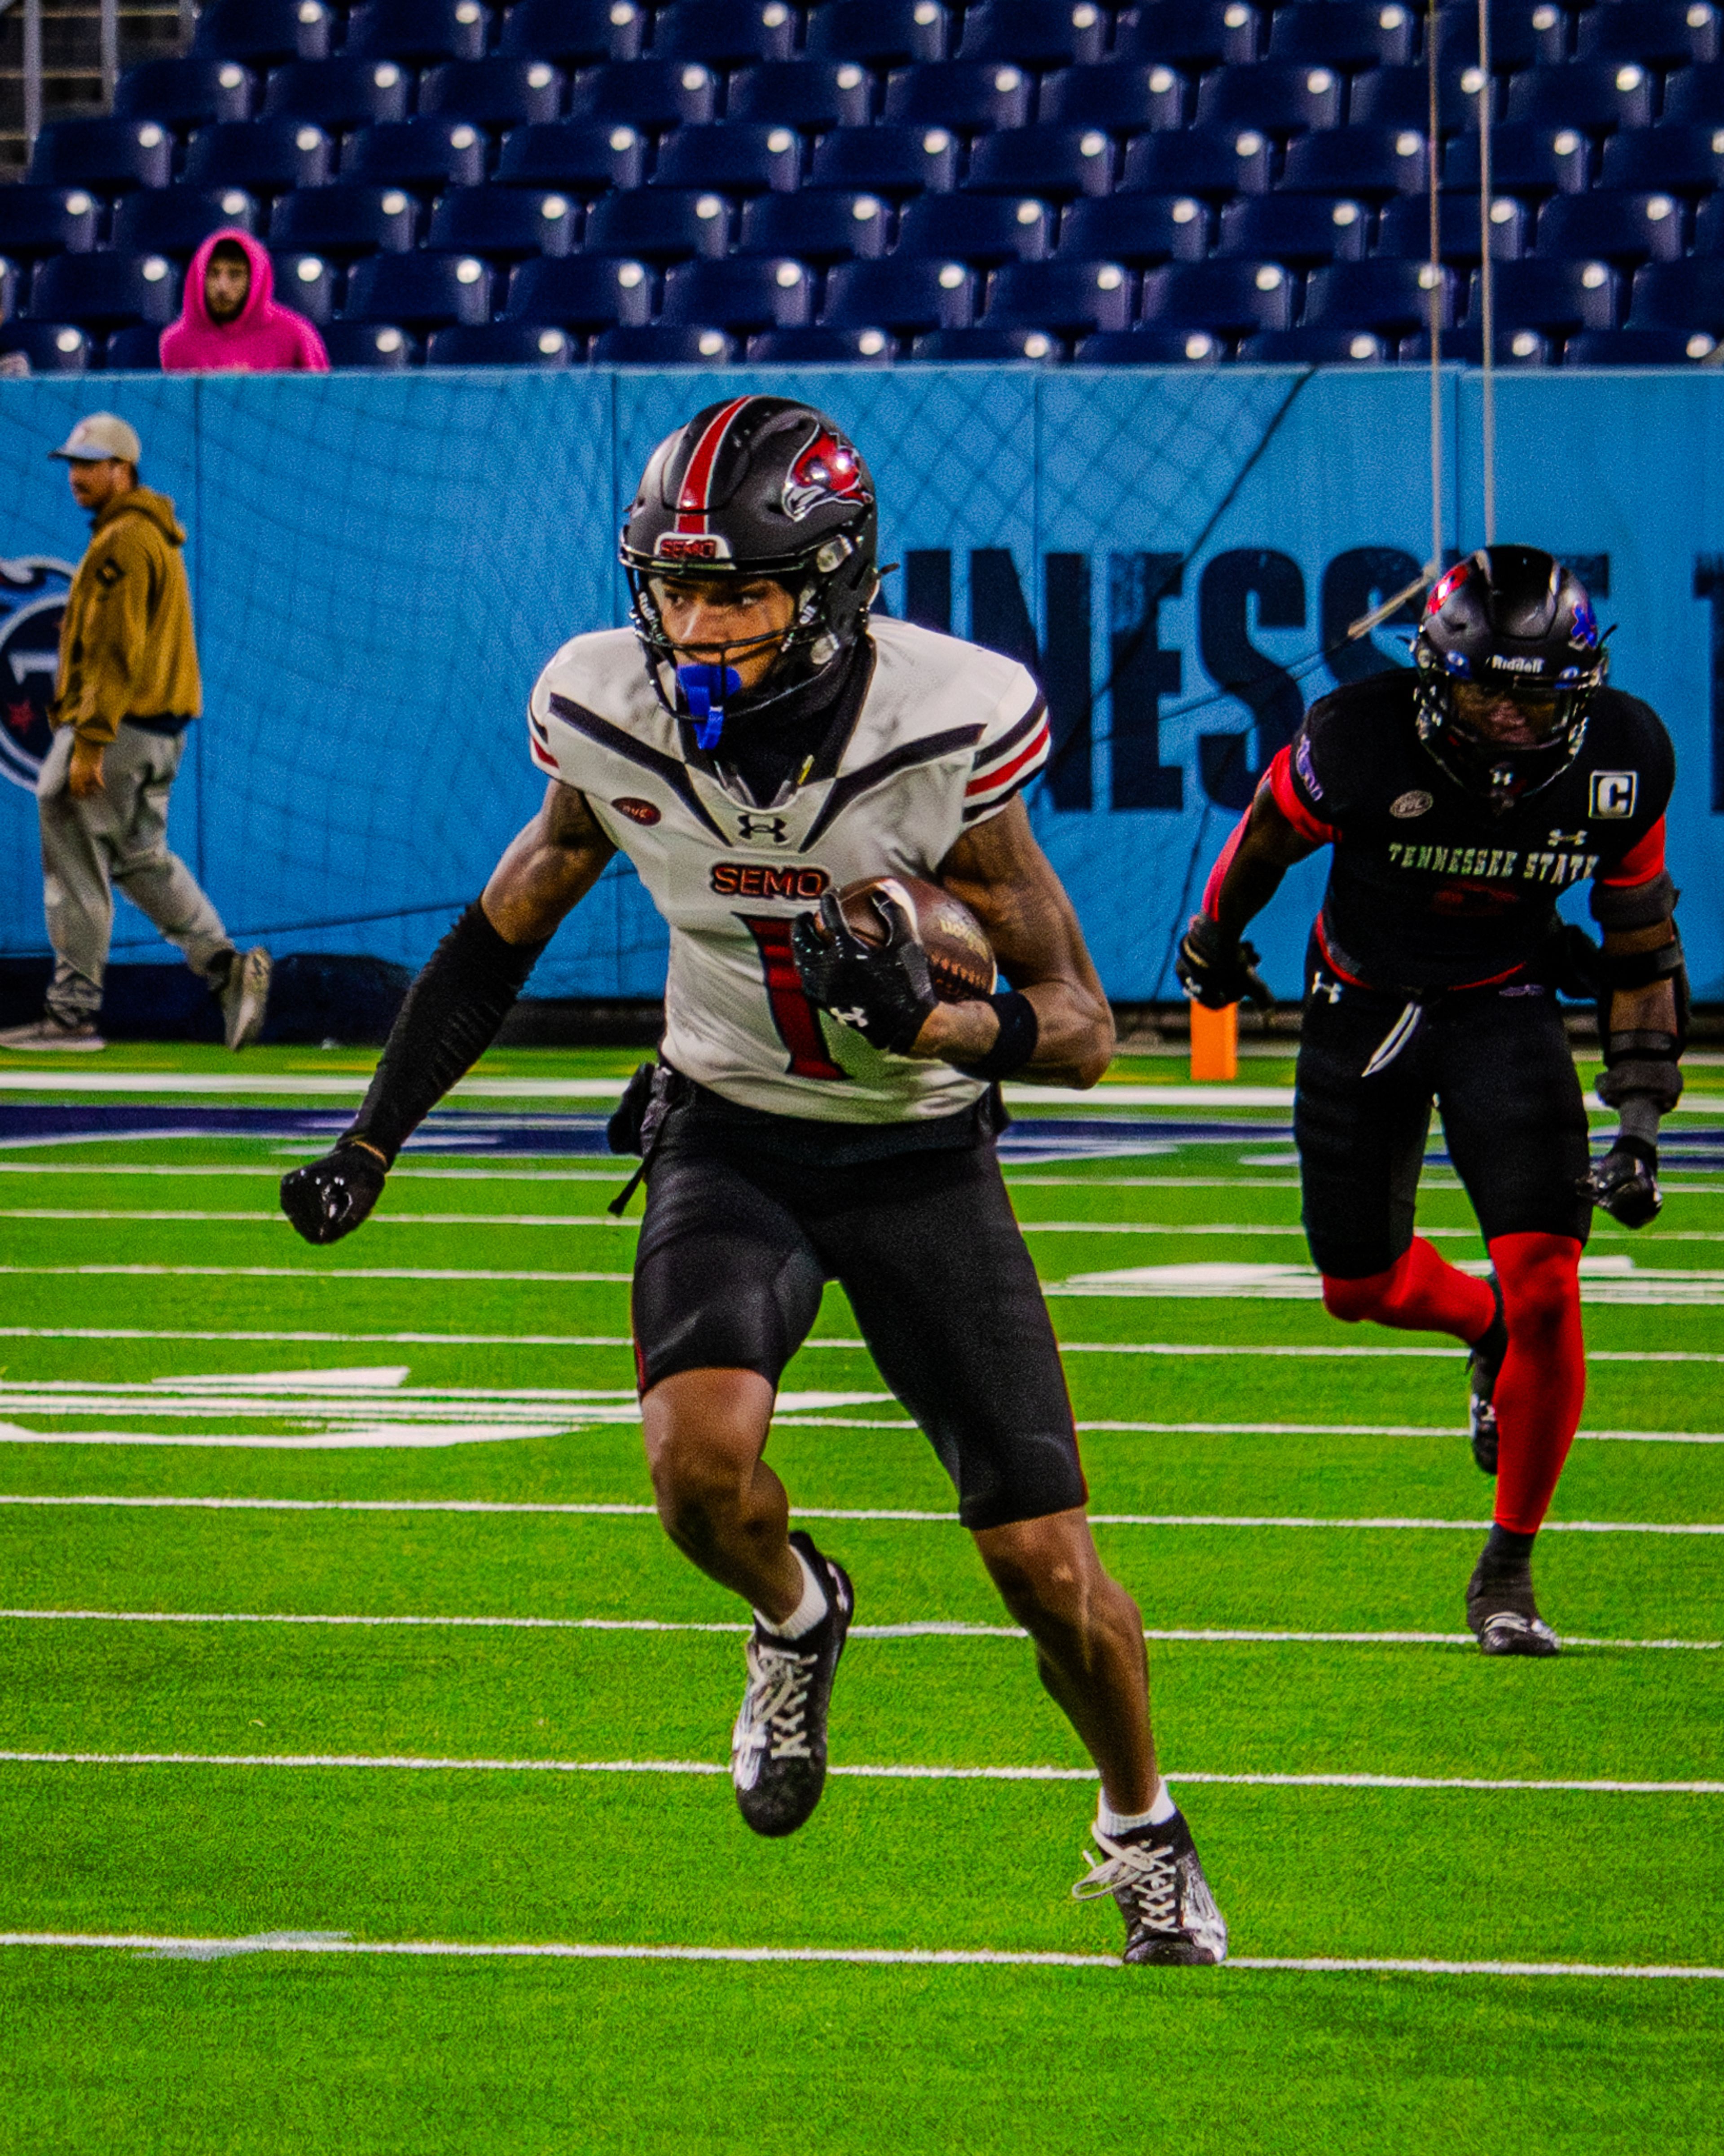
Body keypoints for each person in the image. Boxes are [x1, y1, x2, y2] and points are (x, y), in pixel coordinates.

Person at [278, 395, 1229, 1966]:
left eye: (740, 592)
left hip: (918, 1154)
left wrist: (942, 1018)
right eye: (674, 587)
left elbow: (1084, 1036)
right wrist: (376, 1135)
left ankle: (1141, 1822)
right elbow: (505, 922)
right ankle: (800, 1614)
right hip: (728, 1129)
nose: (696, 625)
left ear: (833, 586)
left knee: (1045, 1569)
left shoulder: (946, 725)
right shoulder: (607, 708)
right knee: (695, 1477)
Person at [1178, 547, 1683, 1656]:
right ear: (1430, 677)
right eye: (1479, 688)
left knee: (1549, 1275)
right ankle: (1478, 1322)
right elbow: (1263, 837)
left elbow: (1643, 946)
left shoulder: (1625, 755)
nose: (1505, 715)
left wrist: (1639, 1120)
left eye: (1531, 691)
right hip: (1361, 996)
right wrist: (1212, 938)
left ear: (1580, 686)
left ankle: (1507, 1564)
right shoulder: (1354, 737)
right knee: (1355, 1286)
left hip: (1505, 997)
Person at [0, 413, 271, 1054]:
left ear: (123, 469)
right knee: (140, 858)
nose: (77, 476)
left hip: (118, 728)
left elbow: (116, 651)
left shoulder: (125, 540)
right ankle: (226, 968)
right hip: (155, 730)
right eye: (72, 463)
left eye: (90, 464)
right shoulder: (148, 534)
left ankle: (71, 1014)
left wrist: (89, 740)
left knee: (73, 847)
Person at [158, 229, 329, 375]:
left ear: (256, 280)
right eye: (213, 274)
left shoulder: (296, 334)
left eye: (235, 275)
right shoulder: (175, 343)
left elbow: (323, 406)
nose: (222, 287)